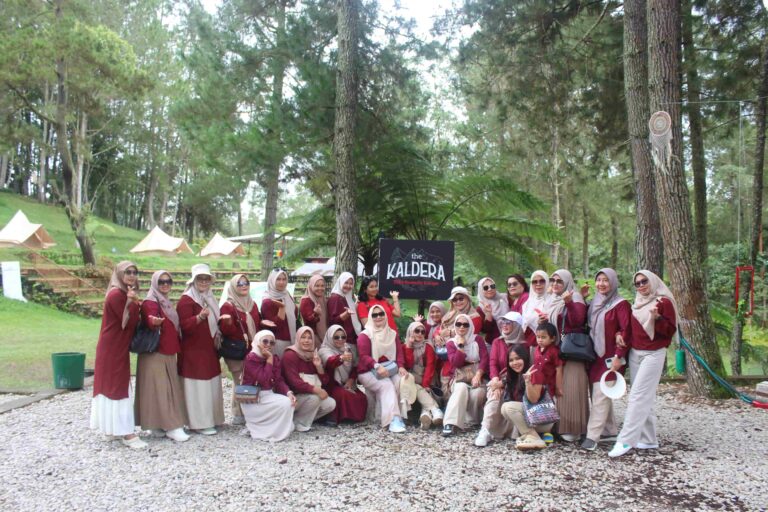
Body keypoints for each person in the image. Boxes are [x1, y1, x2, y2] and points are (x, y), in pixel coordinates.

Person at [609, 270, 678, 457]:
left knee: (638, 396)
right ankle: (648, 440)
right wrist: (619, 352)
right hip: (635, 353)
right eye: (637, 283)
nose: (641, 286)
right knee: (642, 396)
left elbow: (670, 331)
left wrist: (658, 319)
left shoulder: (663, 302)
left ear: (653, 281)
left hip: (654, 354)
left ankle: (625, 441)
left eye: (644, 281)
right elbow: (629, 333)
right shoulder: (637, 303)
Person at [90, 261, 145, 449]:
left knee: (113, 385)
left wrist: (132, 300)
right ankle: (126, 433)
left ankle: (111, 428)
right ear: (119, 274)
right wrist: (133, 302)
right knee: (118, 386)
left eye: (134, 272)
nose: (131, 275)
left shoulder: (122, 293)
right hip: (112, 347)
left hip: (115, 345)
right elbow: (127, 322)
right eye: (127, 272)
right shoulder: (116, 295)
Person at [134, 270, 189, 442]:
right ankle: (171, 426)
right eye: (161, 282)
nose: (165, 284)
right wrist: (153, 322)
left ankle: (157, 424)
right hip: (156, 352)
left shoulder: (164, 301)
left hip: (166, 350)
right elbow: (149, 319)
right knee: (162, 389)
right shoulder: (150, 302)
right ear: (154, 283)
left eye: (168, 281)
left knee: (160, 388)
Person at [580, 268, 631, 451]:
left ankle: (592, 437)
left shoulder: (621, 304)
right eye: (599, 280)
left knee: (600, 394)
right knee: (599, 394)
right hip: (594, 355)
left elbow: (626, 330)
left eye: (605, 280)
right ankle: (609, 431)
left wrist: (619, 355)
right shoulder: (594, 303)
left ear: (613, 282)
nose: (601, 284)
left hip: (611, 357)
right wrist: (582, 299)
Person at [539, 268, 588, 442]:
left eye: (559, 281)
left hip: (573, 352)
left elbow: (577, 321)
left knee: (571, 389)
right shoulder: (552, 300)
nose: (555, 284)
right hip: (558, 351)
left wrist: (569, 303)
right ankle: (558, 427)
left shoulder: (575, 298)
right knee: (559, 389)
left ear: (567, 282)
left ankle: (574, 428)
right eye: (553, 281)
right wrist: (543, 322)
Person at [177, 263, 225, 435]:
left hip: (209, 349)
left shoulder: (210, 298)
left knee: (211, 384)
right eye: (200, 279)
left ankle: (213, 418)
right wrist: (198, 317)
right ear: (194, 280)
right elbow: (183, 326)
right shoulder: (186, 300)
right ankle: (198, 422)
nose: (204, 282)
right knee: (197, 386)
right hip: (193, 351)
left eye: (207, 279)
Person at [475, 311, 526, 447]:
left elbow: (521, 369)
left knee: (500, 390)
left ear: (516, 325)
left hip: (516, 379)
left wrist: (502, 383)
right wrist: (495, 380)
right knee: (494, 393)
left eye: (508, 322)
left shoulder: (523, 344)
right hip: (499, 378)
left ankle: (513, 431)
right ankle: (485, 430)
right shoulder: (498, 342)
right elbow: (493, 363)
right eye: (503, 322)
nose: (504, 325)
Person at [356, 304, 408, 433]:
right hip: (368, 371)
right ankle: (392, 420)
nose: (378, 317)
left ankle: (400, 416)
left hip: (390, 369)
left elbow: (399, 353)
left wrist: (401, 366)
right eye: (374, 315)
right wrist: (376, 365)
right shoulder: (365, 335)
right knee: (386, 385)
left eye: (381, 314)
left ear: (385, 315)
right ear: (370, 317)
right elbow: (363, 356)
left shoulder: (392, 333)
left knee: (400, 382)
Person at [219, 273, 262, 426]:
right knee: (240, 381)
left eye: (246, 283)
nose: (244, 286)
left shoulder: (252, 304)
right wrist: (228, 323)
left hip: (252, 349)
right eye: (240, 283)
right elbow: (225, 331)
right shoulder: (228, 306)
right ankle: (239, 414)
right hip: (236, 350)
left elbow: (258, 324)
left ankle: (248, 412)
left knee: (249, 380)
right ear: (233, 287)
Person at [240, 330, 297, 442]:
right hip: (252, 399)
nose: (268, 345)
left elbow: (278, 380)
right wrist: (269, 360)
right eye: (265, 341)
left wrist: (289, 393)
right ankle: (259, 429)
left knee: (289, 401)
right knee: (285, 403)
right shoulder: (251, 358)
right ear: (257, 342)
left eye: (272, 343)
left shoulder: (274, 358)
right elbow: (263, 379)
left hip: (268, 395)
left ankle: (272, 430)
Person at [499, 343, 557, 451]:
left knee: (507, 407)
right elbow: (509, 399)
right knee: (504, 408)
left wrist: (528, 382)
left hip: (542, 418)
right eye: (511, 360)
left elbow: (533, 399)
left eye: (518, 358)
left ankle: (533, 437)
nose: (514, 363)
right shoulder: (513, 377)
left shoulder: (534, 372)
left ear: (525, 357)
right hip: (530, 418)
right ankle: (532, 435)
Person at [441, 314, 489, 437]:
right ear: (455, 326)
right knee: (461, 387)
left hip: (476, 374)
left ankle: (470, 421)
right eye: (458, 324)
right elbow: (456, 363)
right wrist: (461, 346)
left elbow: (484, 359)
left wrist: (478, 374)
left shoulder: (477, 339)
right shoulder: (451, 343)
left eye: (465, 324)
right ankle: (450, 423)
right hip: (459, 377)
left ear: (470, 326)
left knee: (477, 393)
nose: (462, 327)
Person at [281, 326, 337, 431]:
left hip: (307, 395)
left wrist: (318, 366)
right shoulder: (290, 355)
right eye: (303, 337)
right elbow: (294, 382)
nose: (307, 341)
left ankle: (296, 421)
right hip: (293, 397)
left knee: (330, 403)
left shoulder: (312, 355)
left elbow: (325, 381)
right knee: (314, 399)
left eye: (309, 337)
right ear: (297, 338)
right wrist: (316, 390)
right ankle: (300, 424)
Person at [318, 325, 368, 424]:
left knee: (362, 397)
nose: (340, 340)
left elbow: (355, 367)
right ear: (330, 337)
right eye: (336, 337)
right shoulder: (324, 350)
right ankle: (339, 418)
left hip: (347, 383)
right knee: (343, 395)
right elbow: (330, 362)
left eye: (343, 337)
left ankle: (354, 418)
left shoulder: (348, 348)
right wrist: (341, 358)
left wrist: (351, 380)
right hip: (331, 385)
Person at [402, 321, 444, 429]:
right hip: (412, 378)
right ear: (411, 332)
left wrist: (426, 384)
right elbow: (408, 364)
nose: (420, 334)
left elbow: (430, 367)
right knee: (415, 386)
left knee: (422, 389)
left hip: (427, 377)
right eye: (417, 331)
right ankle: (433, 411)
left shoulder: (428, 346)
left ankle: (426, 414)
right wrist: (409, 347)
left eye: (422, 331)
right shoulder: (405, 346)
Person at [261, 269, 298, 357]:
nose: (282, 282)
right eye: (278, 279)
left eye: (284, 279)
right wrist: (282, 308)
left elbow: (294, 315)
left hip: (291, 338)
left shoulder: (286, 294)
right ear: (272, 281)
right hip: (278, 342)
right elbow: (275, 326)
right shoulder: (268, 301)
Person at [327, 272, 363, 347]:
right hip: (343, 340)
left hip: (352, 337)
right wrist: (345, 315)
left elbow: (352, 315)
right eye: (346, 283)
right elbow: (332, 321)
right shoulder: (335, 298)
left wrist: (355, 305)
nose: (348, 286)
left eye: (351, 283)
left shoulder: (346, 296)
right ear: (340, 282)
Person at [476, 276, 510, 348]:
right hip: (493, 345)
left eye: (492, 286)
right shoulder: (480, 308)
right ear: (480, 290)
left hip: (511, 341)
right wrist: (488, 313)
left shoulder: (505, 298)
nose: (490, 289)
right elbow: (486, 330)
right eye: (485, 288)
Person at [521, 270, 549, 347]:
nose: (538, 284)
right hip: (528, 342)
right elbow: (524, 325)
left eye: (542, 281)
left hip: (544, 344)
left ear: (547, 282)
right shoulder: (527, 303)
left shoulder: (551, 301)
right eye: (534, 282)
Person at [299, 274, 328, 346]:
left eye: (322, 286)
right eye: (317, 286)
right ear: (311, 286)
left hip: (325, 335)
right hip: (312, 337)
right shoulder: (306, 300)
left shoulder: (323, 299)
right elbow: (308, 321)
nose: (320, 288)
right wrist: (315, 313)